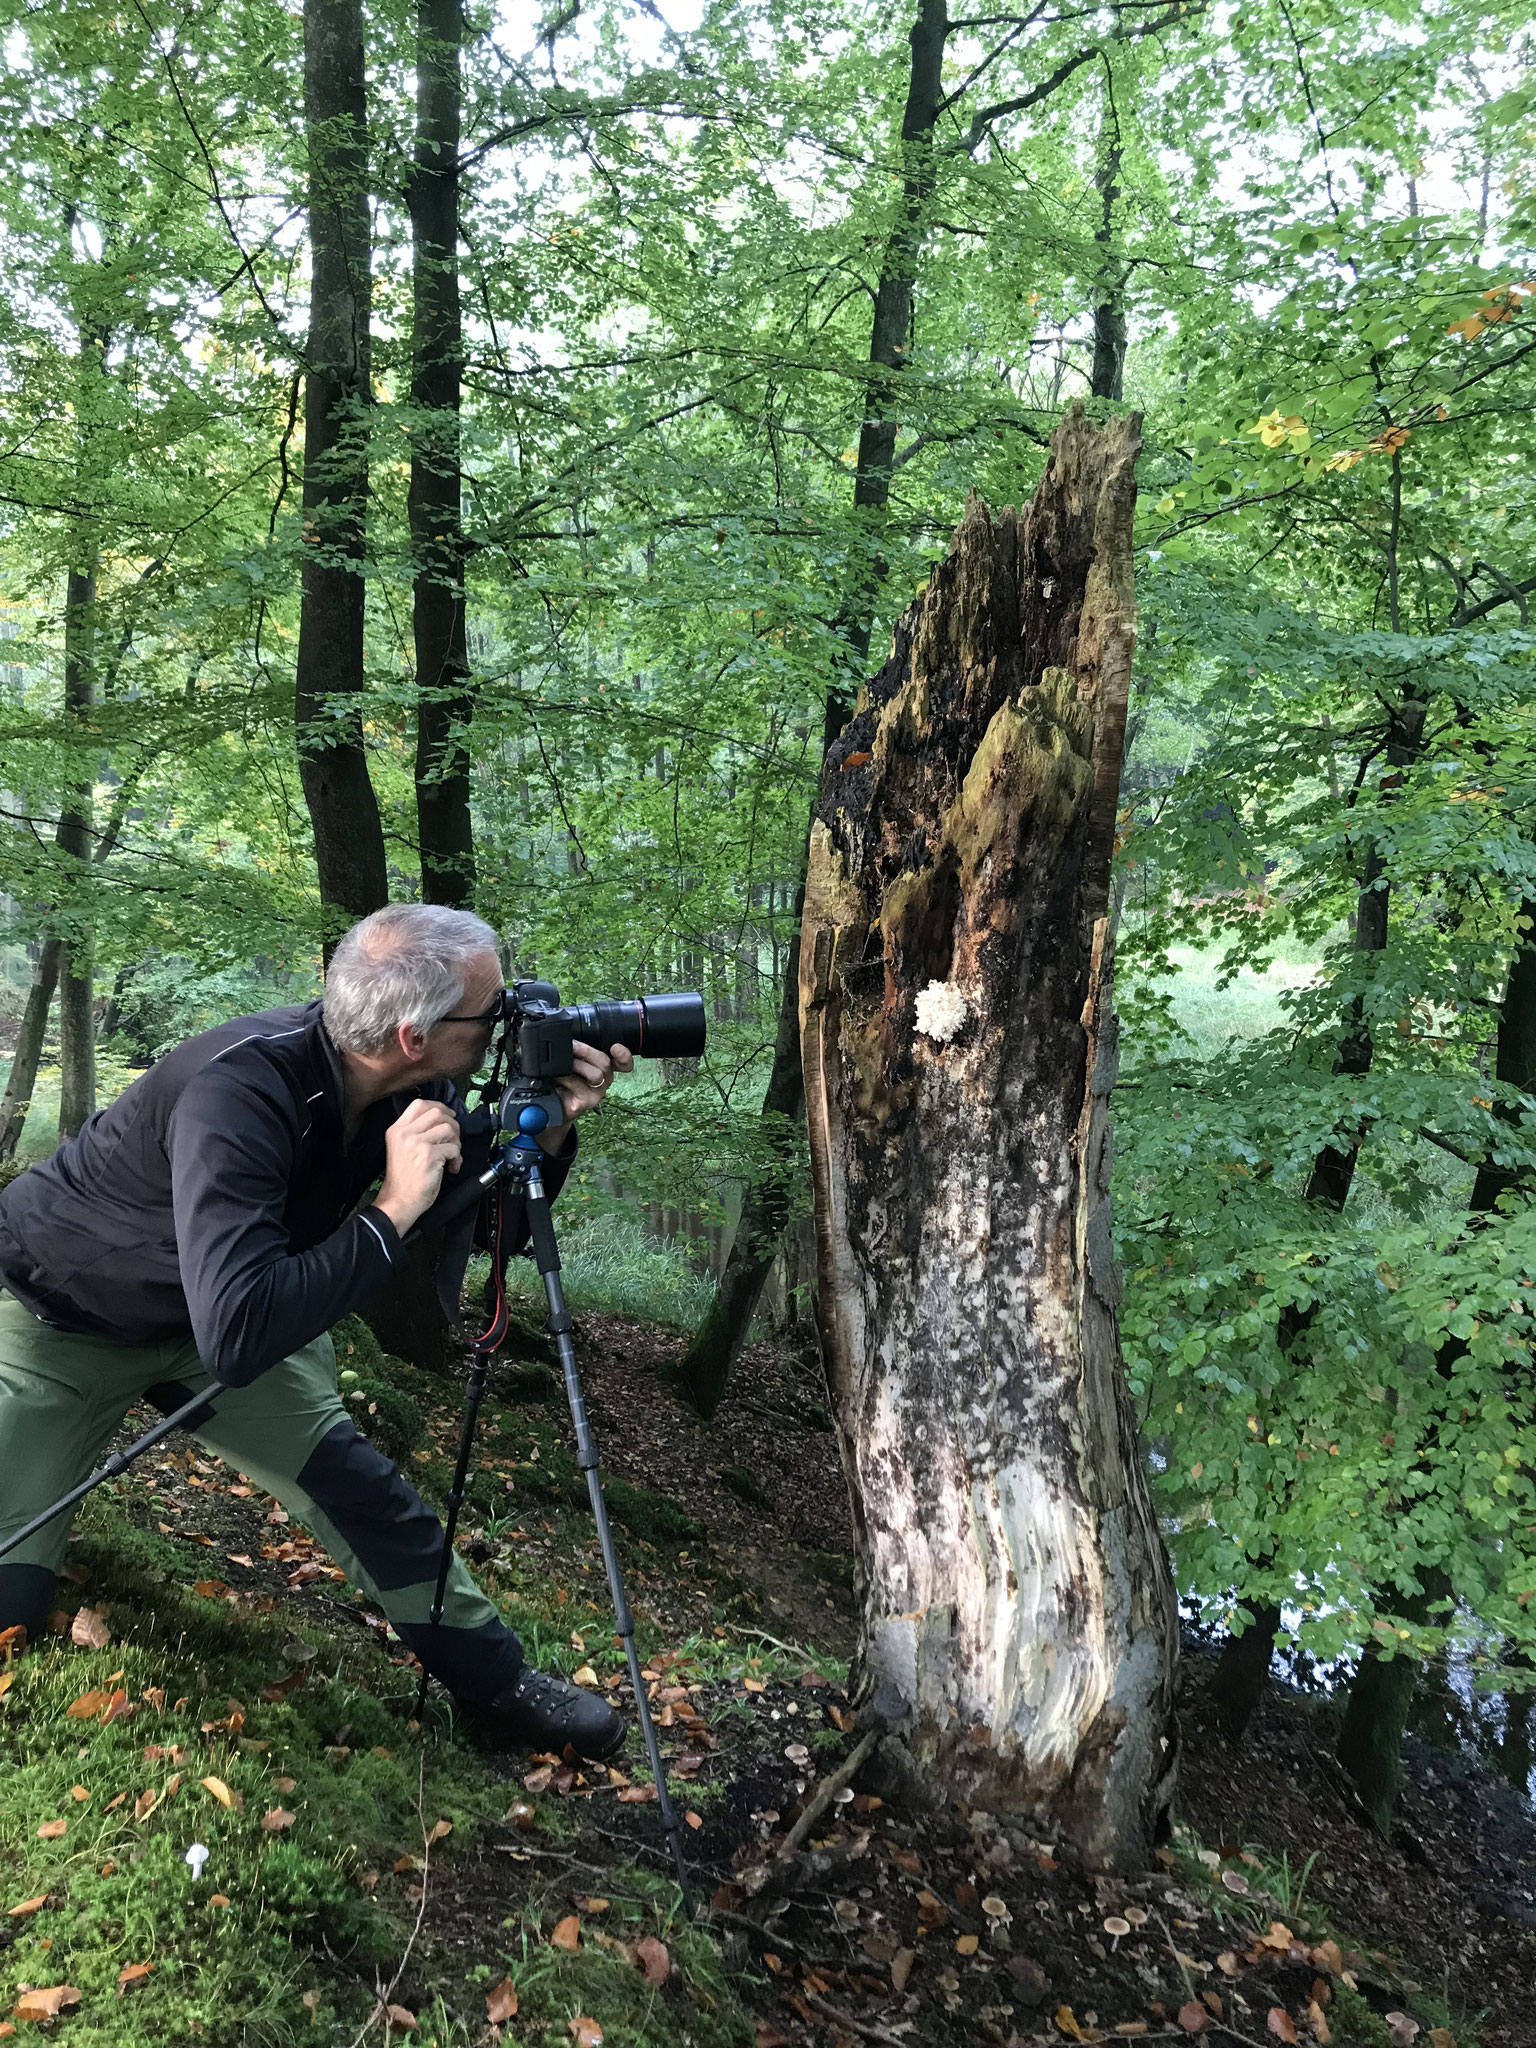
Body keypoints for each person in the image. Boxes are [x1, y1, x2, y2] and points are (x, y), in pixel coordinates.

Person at [0, 904, 632, 1760]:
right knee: (10, 1614)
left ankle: (497, 1681)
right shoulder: (238, 1092)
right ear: (413, 1032)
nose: (507, 1024)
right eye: (492, 1013)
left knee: (360, 1488)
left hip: (221, 1313)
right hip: (58, 1313)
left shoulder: (414, 1089)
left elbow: (494, 1235)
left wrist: (548, 1131)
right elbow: (243, 1333)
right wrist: (392, 1207)